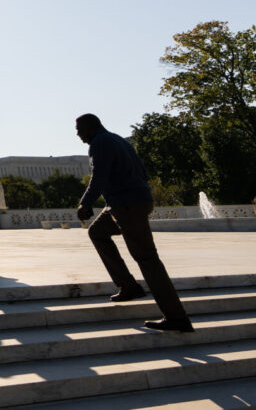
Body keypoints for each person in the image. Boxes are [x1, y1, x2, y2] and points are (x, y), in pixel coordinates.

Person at [75, 113, 193, 333]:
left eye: (79, 129)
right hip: (128, 202)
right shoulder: (117, 139)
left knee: (148, 259)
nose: (78, 134)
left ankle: (177, 317)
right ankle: (128, 286)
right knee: (97, 232)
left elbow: (99, 175)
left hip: (128, 205)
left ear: (90, 127)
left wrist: (86, 203)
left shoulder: (100, 142)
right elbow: (141, 171)